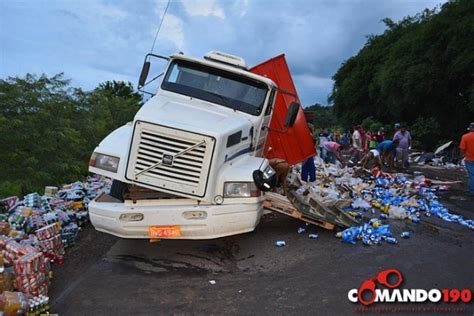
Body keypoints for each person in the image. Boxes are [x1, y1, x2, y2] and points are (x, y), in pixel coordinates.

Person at [459, 122, 474, 194]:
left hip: (469, 159)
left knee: (472, 175)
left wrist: (462, 156)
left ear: (470, 129)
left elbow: (462, 148)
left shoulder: (465, 137)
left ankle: (472, 190)